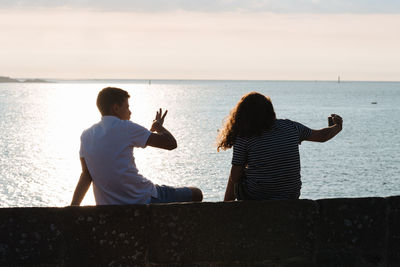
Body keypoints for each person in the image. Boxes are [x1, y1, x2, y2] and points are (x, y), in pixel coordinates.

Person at [71, 87, 203, 205]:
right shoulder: (127, 127)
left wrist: (73, 207)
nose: (130, 112)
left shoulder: (86, 135)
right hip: (143, 197)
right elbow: (171, 144)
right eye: (127, 107)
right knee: (196, 193)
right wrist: (158, 126)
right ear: (116, 108)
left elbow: (86, 175)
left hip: (108, 205)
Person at [217, 92, 343, 201]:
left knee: (236, 170)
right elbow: (322, 136)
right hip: (290, 196)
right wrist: (337, 126)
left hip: (256, 197)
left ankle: (226, 208)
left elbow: (235, 177)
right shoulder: (291, 127)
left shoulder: (244, 136)